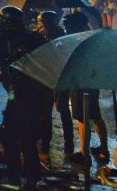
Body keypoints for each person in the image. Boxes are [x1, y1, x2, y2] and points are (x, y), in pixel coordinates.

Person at [0, 6, 52, 190]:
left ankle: (24, 177)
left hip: (30, 96)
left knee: (21, 136)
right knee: (16, 136)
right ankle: (24, 176)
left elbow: (12, 72)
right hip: (20, 95)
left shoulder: (24, 43)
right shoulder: (12, 40)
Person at [63, 14, 110, 166]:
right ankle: (103, 148)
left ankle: (84, 154)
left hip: (80, 83)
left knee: (82, 117)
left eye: (69, 26)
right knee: (95, 114)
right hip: (92, 82)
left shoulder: (78, 40)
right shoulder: (93, 38)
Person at [34, 11, 71, 165]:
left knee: (53, 111)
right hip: (53, 79)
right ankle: (61, 144)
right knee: (53, 112)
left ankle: (51, 144)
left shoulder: (56, 38)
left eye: (41, 24)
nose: (39, 27)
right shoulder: (56, 36)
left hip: (53, 79)